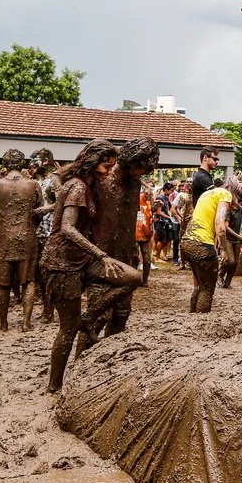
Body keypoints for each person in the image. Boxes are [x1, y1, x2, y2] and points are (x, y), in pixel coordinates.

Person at [40, 139, 143, 394]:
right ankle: (54, 386)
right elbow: (67, 228)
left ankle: (88, 318)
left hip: (82, 260)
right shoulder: (77, 187)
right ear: (91, 163)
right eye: (106, 167)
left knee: (132, 278)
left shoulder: (88, 186)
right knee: (67, 329)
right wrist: (102, 255)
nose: (109, 172)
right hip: (62, 263)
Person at [83, 138, 159, 348]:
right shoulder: (101, 181)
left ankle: (111, 360)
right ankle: (80, 363)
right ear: (131, 161)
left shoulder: (134, 184)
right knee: (98, 315)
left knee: (122, 314)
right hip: (101, 259)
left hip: (126, 257)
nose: (142, 173)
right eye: (141, 168)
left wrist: (133, 252)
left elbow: (128, 220)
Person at [0, 150, 45, 332]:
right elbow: (38, 212)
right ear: (22, 164)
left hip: (2, 237)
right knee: (28, 281)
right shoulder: (33, 185)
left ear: (5, 165)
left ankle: (4, 324)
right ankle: (26, 323)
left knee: (4, 283)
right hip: (27, 236)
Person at [181, 178, 242, 312]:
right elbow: (220, 222)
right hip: (202, 243)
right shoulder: (225, 194)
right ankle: (202, 323)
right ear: (233, 191)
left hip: (187, 240)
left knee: (199, 285)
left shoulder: (207, 194)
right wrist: (223, 249)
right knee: (207, 288)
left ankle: (192, 317)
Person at [31, 148, 60, 323]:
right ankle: (46, 308)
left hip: (50, 232)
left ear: (46, 161)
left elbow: (63, 201)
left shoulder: (54, 180)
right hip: (38, 232)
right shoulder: (37, 181)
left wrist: (46, 208)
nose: (31, 164)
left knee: (49, 274)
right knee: (39, 274)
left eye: (35, 160)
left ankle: (50, 311)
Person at [136, 183, 155, 286]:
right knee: (134, 256)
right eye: (148, 193)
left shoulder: (149, 202)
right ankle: (133, 278)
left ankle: (145, 280)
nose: (149, 195)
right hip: (136, 231)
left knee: (146, 257)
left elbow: (152, 214)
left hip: (146, 232)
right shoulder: (137, 198)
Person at [173, 179, 194, 264]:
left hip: (193, 221)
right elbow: (175, 208)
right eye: (188, 182)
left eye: (191, 182)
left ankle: (190, 260)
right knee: (181, 240)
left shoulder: (196, 195)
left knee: (191, 240)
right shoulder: (181, 195)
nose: (189, 184)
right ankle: (182, 260)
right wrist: (180, 217)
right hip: (184, 220)